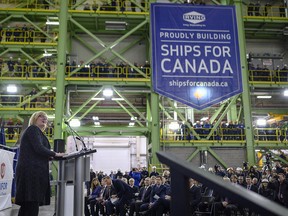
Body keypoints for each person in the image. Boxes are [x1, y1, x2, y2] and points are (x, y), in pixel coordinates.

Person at [15, 111, 65, 216]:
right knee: (31, 204)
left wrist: (51, 156)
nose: (44, 118)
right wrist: (55, 154)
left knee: (28, 205)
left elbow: (37, 151)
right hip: (31, 172)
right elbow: (39, 148)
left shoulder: (37, 132)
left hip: (32, 171)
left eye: (46, 117)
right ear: (34, 118)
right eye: (41, 116)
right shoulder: (33, 129)